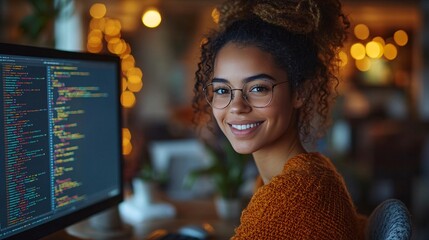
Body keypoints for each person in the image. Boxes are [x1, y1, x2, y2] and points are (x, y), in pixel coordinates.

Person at [192, 0, 367, 239]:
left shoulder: (296, 196)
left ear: (300, 92)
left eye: (258, 88)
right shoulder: (303, 176)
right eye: (222, 90)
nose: (236, 107)